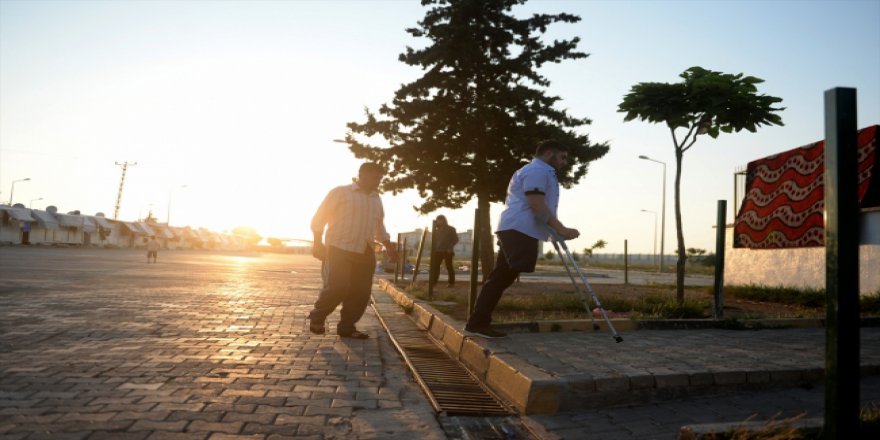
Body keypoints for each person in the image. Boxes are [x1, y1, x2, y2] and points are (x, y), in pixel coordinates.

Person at [465, 140, 580, 338]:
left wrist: (554, 231)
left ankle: (477, 322)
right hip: (519, 229)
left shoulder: (543, 172)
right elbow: (536, 204)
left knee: (500, 278)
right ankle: (477, 323)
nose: (564, 162)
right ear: (549, 153)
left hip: (520, 229)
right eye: (562, 157)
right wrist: (560, 229)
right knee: (506, 275)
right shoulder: (537, 171)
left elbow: (542, 207)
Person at [308, 162, 398, 339]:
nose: (377, 181)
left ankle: (347, 327)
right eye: (374, 177)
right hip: (339, 247)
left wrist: (389, 246)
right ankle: (317, 317)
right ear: (361, 175)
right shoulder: (341, 192)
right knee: (338, 286)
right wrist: (317, 243)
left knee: (361, 292)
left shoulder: (375, 198)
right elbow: (320, 218)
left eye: (380, 178)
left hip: (365, 250)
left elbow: (379, 226)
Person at [429, 215, 458, 288]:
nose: (439, 221)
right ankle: (434, 283)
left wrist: (450, 247)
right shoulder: (435, 230)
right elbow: (433, 241)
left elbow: (455, 239)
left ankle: (451, 283)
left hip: (447, 251)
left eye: (440, 220)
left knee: (449, 267)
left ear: (444, 220)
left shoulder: (451, 229)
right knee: (435, 267)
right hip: (438, 251)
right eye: (438, 220)